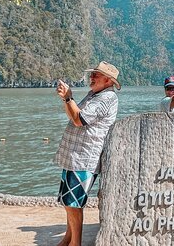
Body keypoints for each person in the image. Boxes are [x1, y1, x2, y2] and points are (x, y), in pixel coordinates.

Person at [54, 61, 120, 246]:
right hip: (75, 155)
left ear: (108, 80)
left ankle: (75, 243)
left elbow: (79, 119)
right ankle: (68, 238)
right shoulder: (94, 94)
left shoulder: (107, 98)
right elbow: (74, 114)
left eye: (96, 75)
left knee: (73, 203)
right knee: (69, 201)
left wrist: (68, 98)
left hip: (85, 157)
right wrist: (67, 100)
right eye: (93, 74)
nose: (92, 77)